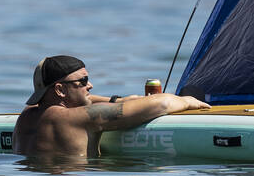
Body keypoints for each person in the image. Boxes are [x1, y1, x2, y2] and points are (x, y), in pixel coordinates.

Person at [12, 55, 209, 162]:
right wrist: (187, 101)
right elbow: (162, 103)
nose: (90, 86)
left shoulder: (26, 117)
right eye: (83, 81)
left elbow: (72, 103)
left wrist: (116, 100)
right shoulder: (80, 118)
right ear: (60, 90)